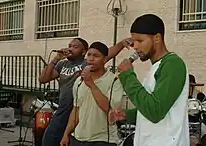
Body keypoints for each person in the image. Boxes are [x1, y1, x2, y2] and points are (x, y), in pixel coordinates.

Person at [108, 14, 190, 146]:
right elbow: (159, 107)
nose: (135, 46)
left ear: (157, 38)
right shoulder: (156, 67)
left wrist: (128, 76)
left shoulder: (173, 64)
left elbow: (155, 111)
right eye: (134, 41)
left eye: (140, 41)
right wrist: (128, 115)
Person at [39, 38, 132, 146]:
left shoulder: (86, 65)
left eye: (75, 47)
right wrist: (55, 59)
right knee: (49, 140)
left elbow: (105, 53)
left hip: (92, 125)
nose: (70, 49)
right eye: (70, 46)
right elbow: (43, 79)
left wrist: (121, 44)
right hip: (65, 111)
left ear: (83, 52)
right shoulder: (63, 65)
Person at [60, 41, 124, 146]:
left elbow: (111, 110)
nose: (91, 59)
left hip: (103, 140)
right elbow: (76, 110)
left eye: (96, 56)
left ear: (104, 59)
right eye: (89, 55)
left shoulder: (114, 81)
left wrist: (92, 85)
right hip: (78, 139)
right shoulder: (79, 81)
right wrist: (66, 134)